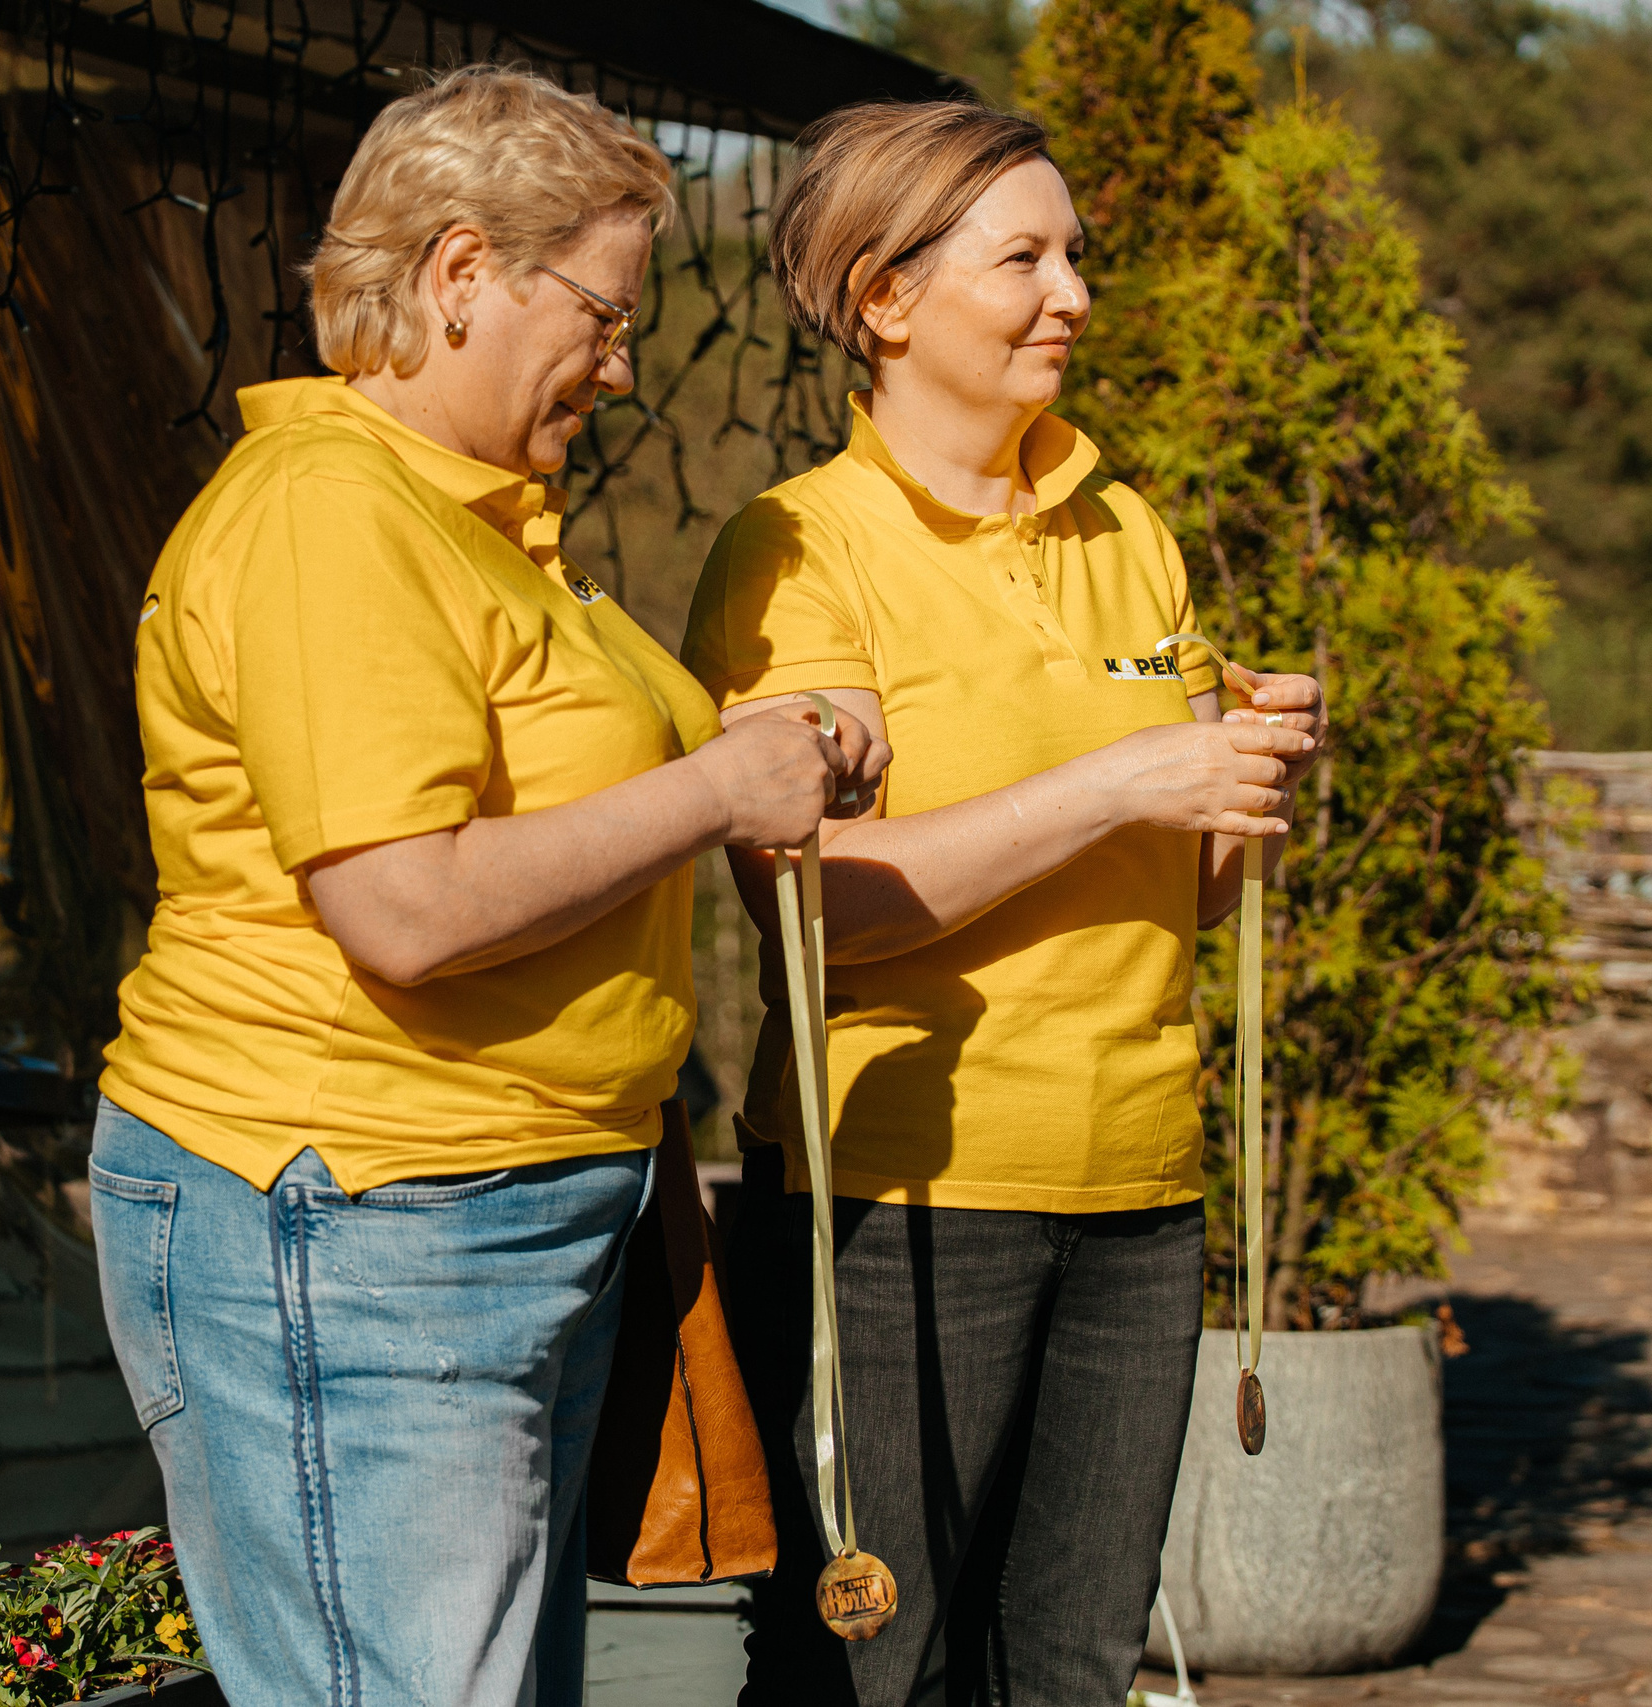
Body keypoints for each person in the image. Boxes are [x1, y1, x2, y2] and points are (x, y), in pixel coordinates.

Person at [89, 65, 872, 1707]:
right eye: (603, 309)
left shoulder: (478, 523)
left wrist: (759, 746)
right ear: (460, 276)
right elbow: (408, 910)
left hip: (483, 1212)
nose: (626, 357)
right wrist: (720, 785)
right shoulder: (329, 516)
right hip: (357, 1211)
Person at [680, 102, 1329, 1707]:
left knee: (1073, 1669)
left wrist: (1241, 779)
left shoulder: (1131, 530)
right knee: (870, 1667)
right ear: (884, 297)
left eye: (1076, 255)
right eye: (1023, 257)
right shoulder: (796, 551)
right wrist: (1123, 782)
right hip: (902, 1205)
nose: (1073, 295)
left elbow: (1189, 880)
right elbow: (825, 911)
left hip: (1141, 1194)